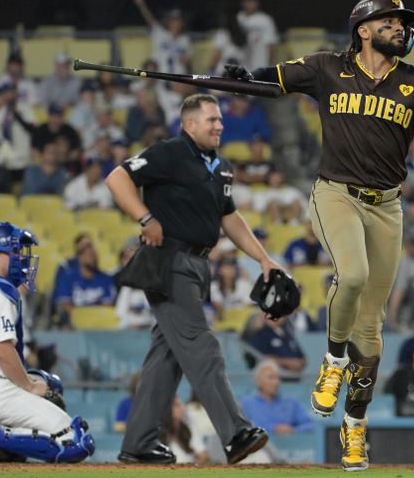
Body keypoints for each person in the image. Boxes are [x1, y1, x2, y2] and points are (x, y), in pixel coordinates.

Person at [223, 0, 414, 471]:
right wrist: (245, 79)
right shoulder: (328, 67)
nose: (399, 27)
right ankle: (332, 364)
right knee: (350, 276)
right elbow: (275, 78)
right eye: (389, 21)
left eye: (401, 22)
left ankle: (355, 428)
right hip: (336, 194)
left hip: (388, 208)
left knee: (371, 335)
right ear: (364, 29)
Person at [106, 93, 281, 465]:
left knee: (165, 360)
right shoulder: (169, 152)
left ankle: (138, 444)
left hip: (198, 266)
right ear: (189, 124)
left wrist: (263, 258)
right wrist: (144, 217)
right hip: (170, 261)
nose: (220, 125)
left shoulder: (221, 166)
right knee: (202, 346)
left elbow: (229, 218)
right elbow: (117, 177)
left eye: (220, 120)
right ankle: (235, 433)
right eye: (212, 120)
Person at [0, 222, 94, 463]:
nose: (21, 257)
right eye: (15, 251)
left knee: (49, 384)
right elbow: (1, 350)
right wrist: (29, 386)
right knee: (76, 441)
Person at [51, 235, 116, 326]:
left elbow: (107, 305)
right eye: (85, 252)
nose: (91, 255)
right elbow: (64, 304)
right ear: (79, 257)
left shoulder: (105, 278)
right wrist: (82, 318)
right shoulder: (68, 276)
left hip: (98, 324)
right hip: (74, 324)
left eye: (92, 252)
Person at [240, 359, 314, 435]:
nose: (276, 382)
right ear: (258, 381)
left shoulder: (291, 403)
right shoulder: (247, 404)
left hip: (289, 444)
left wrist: (293, 430)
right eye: (271, 377)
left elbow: (311, 424)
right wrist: (274, 429)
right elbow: (242, 430)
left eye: (277, 378)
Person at [133, 0, 191, 75]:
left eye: (178, 20)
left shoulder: (185, 39)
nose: (176, 23)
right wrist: (141, 4)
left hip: (178, 78)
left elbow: (187, 60)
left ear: (182, 23)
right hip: (159, 76)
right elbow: (149, 19)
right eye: (173, 20)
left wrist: (184, 60)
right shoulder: (160, 33)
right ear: (168, 21)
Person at [237, 0, 279, 70]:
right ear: (242, 2)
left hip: (260, 66)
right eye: (249, 1)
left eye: (254, 1)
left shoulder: (265, 19)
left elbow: (271, 45)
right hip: (241, 66)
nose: (252, 4)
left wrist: (270, 67)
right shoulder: (238, 18)